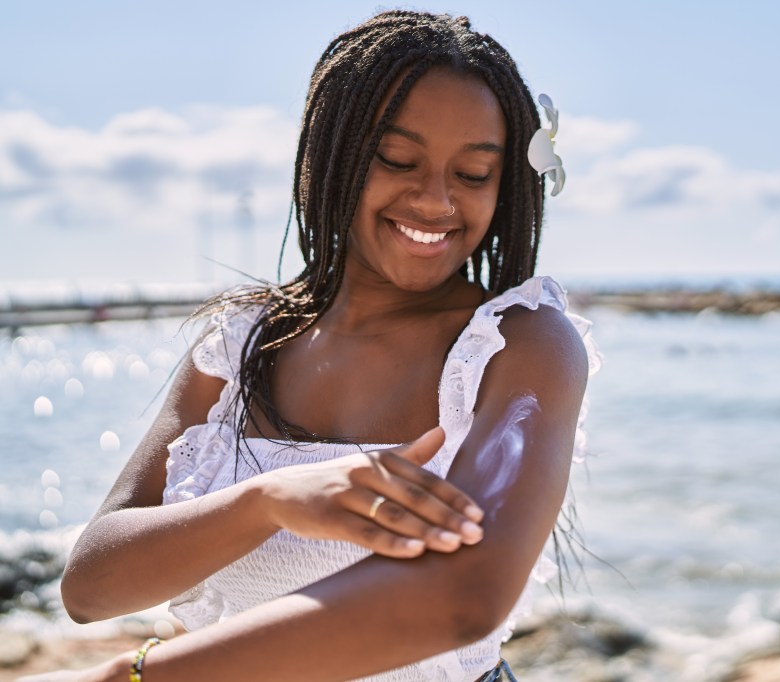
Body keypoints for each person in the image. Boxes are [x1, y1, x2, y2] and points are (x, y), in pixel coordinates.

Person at [27, 9, 599, 682]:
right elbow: (91, 589)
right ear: (330, 156)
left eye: (474, 173)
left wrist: (142, 676)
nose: (436, 199)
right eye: (397, 159)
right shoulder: (242, 346)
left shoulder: (520, 346)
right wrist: (266, 501)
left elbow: (462, 601)